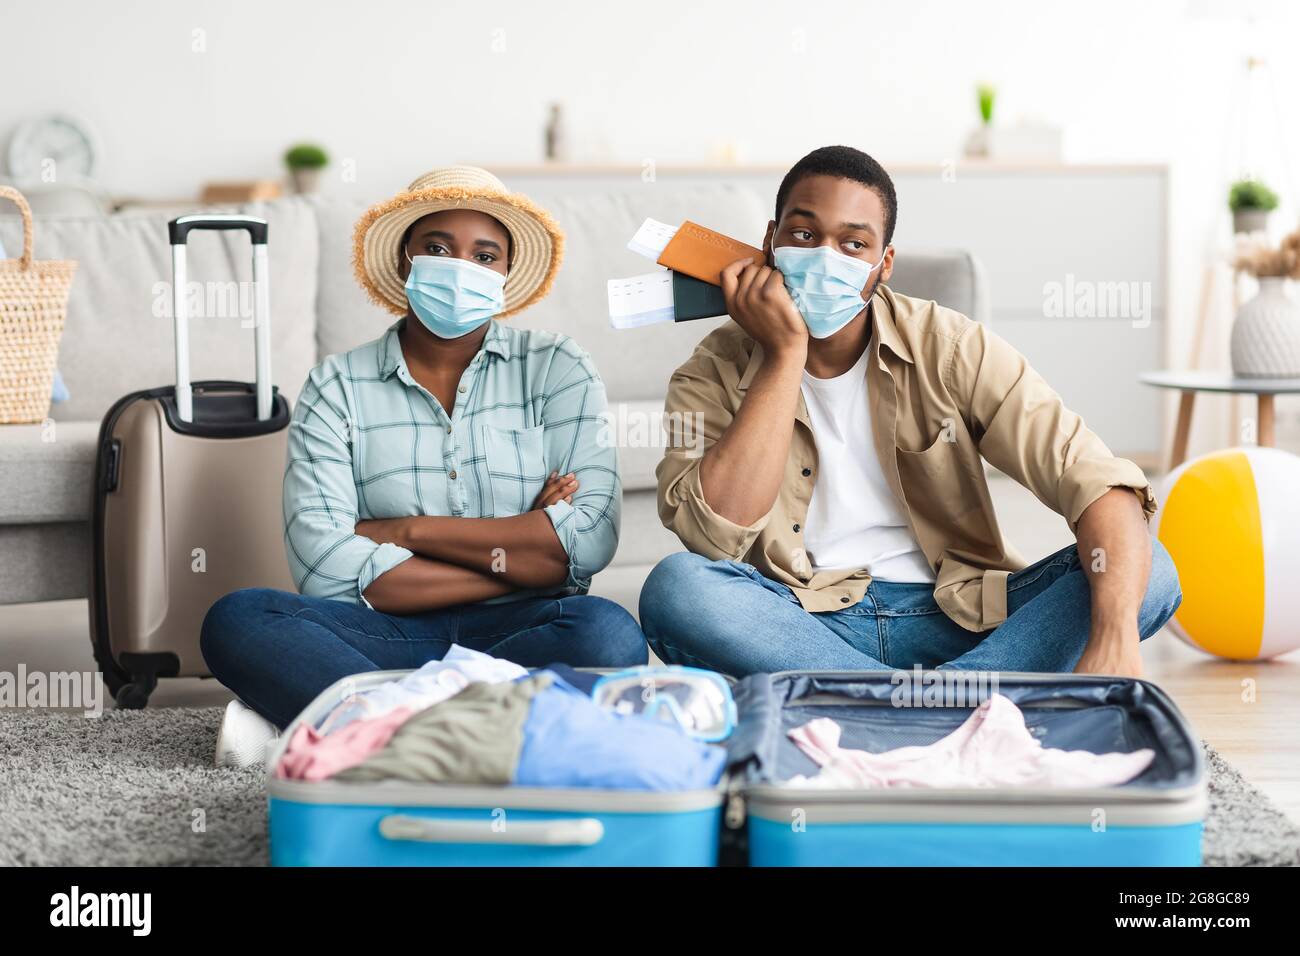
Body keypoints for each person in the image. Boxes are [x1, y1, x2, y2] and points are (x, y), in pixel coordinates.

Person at [640, 145, 1180, 679]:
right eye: (804, 235)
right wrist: (783, 356)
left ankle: (881, 704)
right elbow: (712, 539)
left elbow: (1094, 481)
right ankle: (960, 700)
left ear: (884, 264)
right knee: (677, 589)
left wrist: (1114, 637)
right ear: (770, 241)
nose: (827, 257)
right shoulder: (710, 370)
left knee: (1147, 566)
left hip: (962, 619)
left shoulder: (950, 347)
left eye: (853, 243)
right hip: (804, 623)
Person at [202, 166, 645, 761]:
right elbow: (325, 566)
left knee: (608, 633)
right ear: (406, 261)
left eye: (485, 255)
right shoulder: (337, 384)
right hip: (378, 632)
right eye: (438, 248)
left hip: (522, 627)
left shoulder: (557, 368)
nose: (462, 267)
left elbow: (587, 543)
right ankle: (483, 731)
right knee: (239, 618)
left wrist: (406, 533)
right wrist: (529, 558)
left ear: (506, 275)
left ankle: (354, 721)